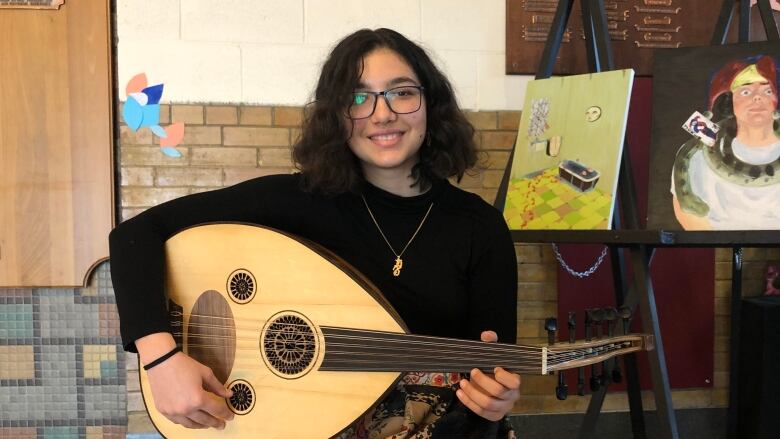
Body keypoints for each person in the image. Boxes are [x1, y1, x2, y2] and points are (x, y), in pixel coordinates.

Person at [109, 28, 520, 438]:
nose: (382, 114)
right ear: (335, 117)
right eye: (357, 98)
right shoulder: (294, 201)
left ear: (431, 104)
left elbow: (491, 375)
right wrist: (160, 359)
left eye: (402, 92)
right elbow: (135, 236)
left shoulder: (479, 228)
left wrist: (495, 400)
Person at [671, 55, 780, 230]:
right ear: (731, 100)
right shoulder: (697, 156)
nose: (757, 98)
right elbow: (691, 221)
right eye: (746, 91)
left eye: (767, 91)